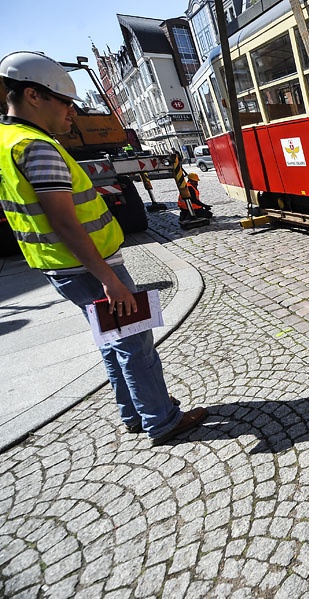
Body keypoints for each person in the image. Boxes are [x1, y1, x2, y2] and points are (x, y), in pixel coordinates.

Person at [0, 51, 207, 445]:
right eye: (65, 102)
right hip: (88, 266)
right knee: (134, 342)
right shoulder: (36, 146)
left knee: (112, 340)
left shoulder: (6, 140)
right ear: (33, 95)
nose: (72, 113)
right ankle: (160, 419)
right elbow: (65, 222)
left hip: (60, 266)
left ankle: (134, 411)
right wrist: (109, 278)